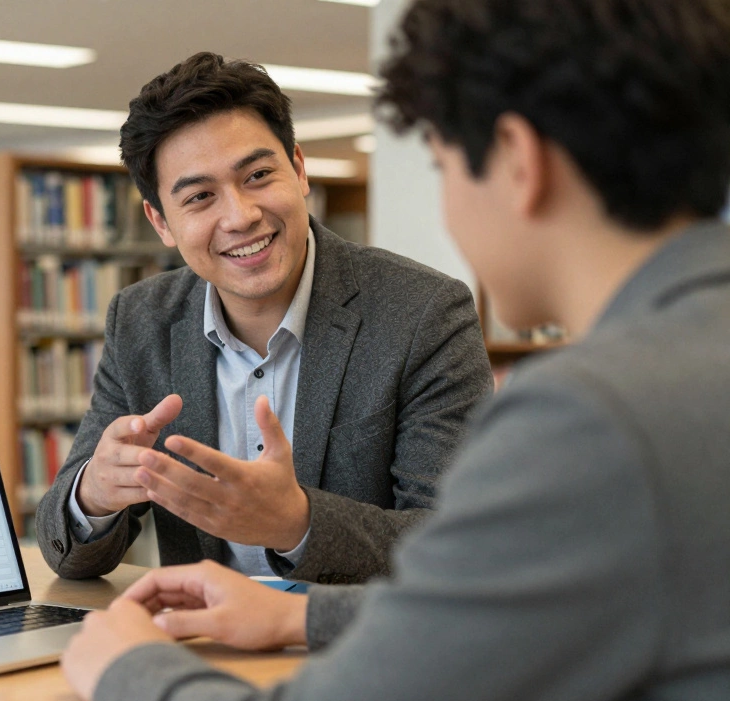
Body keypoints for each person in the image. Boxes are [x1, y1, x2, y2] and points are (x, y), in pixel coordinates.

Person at [60, 0, 730, 701]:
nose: (240, 215)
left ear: (516, 160)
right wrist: (298, 617)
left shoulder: (591, 416)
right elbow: (500, 605)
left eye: (441, 164)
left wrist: (127, 668)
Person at [35, 52, 493, 598]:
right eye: (200, 197)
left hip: (358, 653)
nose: (240, 215)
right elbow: (69, 551)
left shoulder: (423, 313)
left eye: (257, 176)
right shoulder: (141, 321)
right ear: (161, 221)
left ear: (298, 169)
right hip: (204, 647)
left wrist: (296, 523)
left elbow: (457, 542)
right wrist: (93, 495)